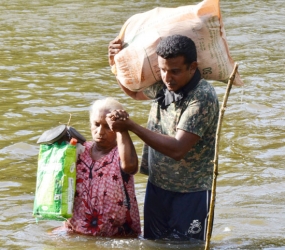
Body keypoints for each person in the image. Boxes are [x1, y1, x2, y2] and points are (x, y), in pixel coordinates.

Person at [107, 34, 219, 241]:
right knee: (154, 243)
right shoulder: (165, 85)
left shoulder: (202, 96)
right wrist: (116, 64)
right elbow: (135, 92)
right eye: (163, 70)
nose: (168, 77)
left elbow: (178, 149)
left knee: (187, 246)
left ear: (192, 67)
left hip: (191, 192)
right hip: (158, 186)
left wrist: (130, 126)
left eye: (175, 71)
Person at [60, 97, 141, 237]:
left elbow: (130, 166)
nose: (100, 132)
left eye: (108, 127)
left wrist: (123, 129)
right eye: (96, 124)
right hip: (76, 230)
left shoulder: (120, 154)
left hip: (115, 234)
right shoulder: (80, 150)